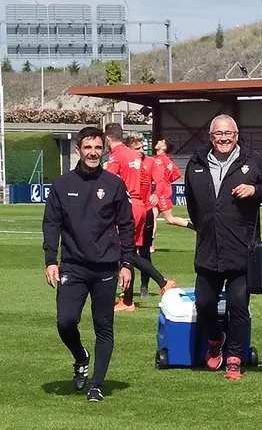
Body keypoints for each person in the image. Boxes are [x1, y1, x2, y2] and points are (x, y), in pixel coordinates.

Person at [185, 114, 262, 380]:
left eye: (228, 133)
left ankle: (233, 358)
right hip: (208, 249)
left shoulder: (253, 161)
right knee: (204, 303)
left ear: (236, 135)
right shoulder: (196, 163)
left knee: (238, 305)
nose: (224, 139)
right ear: (211, 137)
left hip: (243, 250)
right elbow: (192, 204)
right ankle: (215, 339)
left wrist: (255, 191)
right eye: (219, 134)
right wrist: (204, 227)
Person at [42, 126, 135, 402]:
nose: (93, 153)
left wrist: (127, 263)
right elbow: (51, 224)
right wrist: (51, 260)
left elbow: (127, 226)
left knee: (103, 326)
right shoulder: (62, 185)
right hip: (73, 266)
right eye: (87, 148)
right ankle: (80, 356)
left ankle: (96, 385)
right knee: (65, 321)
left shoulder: (113, 184)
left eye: (97, 148)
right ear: (78, 150)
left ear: (103, 150)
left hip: (106, 267)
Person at [104, 124, 177, 311]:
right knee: (129, 253)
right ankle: (128, 300)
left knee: (125, 253)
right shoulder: (134, 157)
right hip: (138, 206)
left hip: (128, 206)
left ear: (107, 139)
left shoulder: (118, 155)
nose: (141, 150)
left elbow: (107, 180)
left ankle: (162, 282)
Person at [127, 133, 164, 298]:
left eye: (142, 147)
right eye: (137, 148)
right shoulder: (125, 162)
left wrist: (156, 193)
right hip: (128, 211)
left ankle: (144, 287)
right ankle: (127, 290)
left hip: (146, 210)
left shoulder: (150, 162)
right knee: (127, 250)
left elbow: (161, 181)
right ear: (129, 149)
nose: (141, 151)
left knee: (144, 251)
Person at [151, 138, 195, 252]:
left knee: (169, 219)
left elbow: (162, 176)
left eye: (161, 142)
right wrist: (167, 181)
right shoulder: (167, 160)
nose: (158, 142)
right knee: (151, 218)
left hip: (161, 192)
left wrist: (163, 183)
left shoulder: (159, 160)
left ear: (164, 147)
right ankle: (150, 245)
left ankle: (194, 227)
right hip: (163, 190)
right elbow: (177, 174)